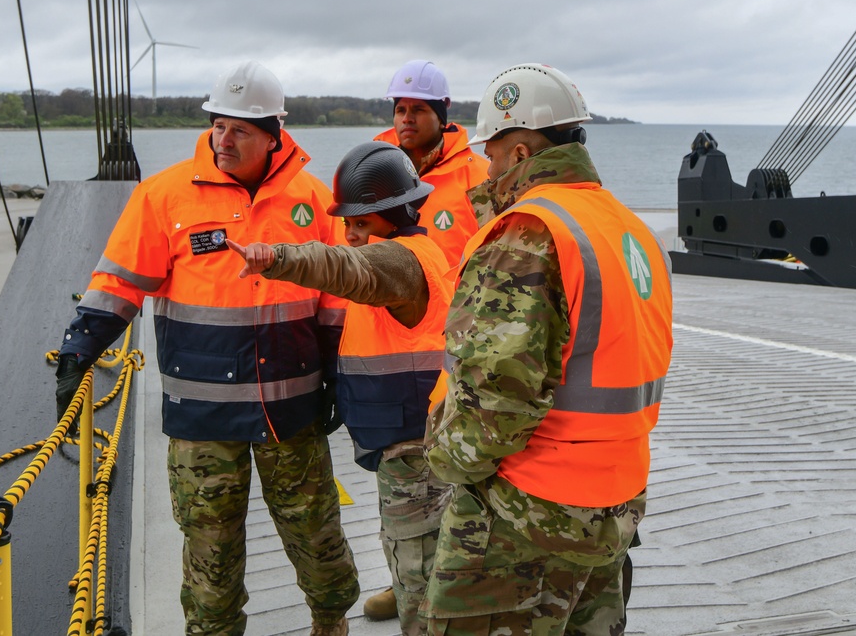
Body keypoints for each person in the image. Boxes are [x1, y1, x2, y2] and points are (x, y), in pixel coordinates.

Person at [54, 60, 359, 636]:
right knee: (209, 553)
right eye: (218, 124)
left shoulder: (314, 201)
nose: (224, 139)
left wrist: (341, 380)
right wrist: (79, 350)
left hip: (291, 409)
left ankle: (330, 620)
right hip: (202, 418)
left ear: (274, 135)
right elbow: (119, 282)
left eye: (241, 129)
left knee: (317, 533)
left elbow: (338, 300)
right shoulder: (163, 197)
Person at [423, 63, 674, 634]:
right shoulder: (632, 231)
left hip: (528, 507)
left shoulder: (530, 231)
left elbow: (498, 398)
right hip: (614, 502)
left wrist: (444, 462)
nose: (486, 168)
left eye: (492, 153)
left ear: (519, 153)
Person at [228, 141, 454, 636]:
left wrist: (276, 256)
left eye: (360, 224)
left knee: (421, 583)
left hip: (414, 450)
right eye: (346, 224)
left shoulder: (397, 261)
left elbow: (343, 268)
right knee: (417, 561)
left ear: (393, 214)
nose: (349, 235)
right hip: (414, 440)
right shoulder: (419, 251)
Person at [373, 59, 488, 269]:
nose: (407, 118)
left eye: (418, 110)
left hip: (452, 301)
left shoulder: (481, 177)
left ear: (441, 118)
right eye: (400, 110)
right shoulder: (372, 172)